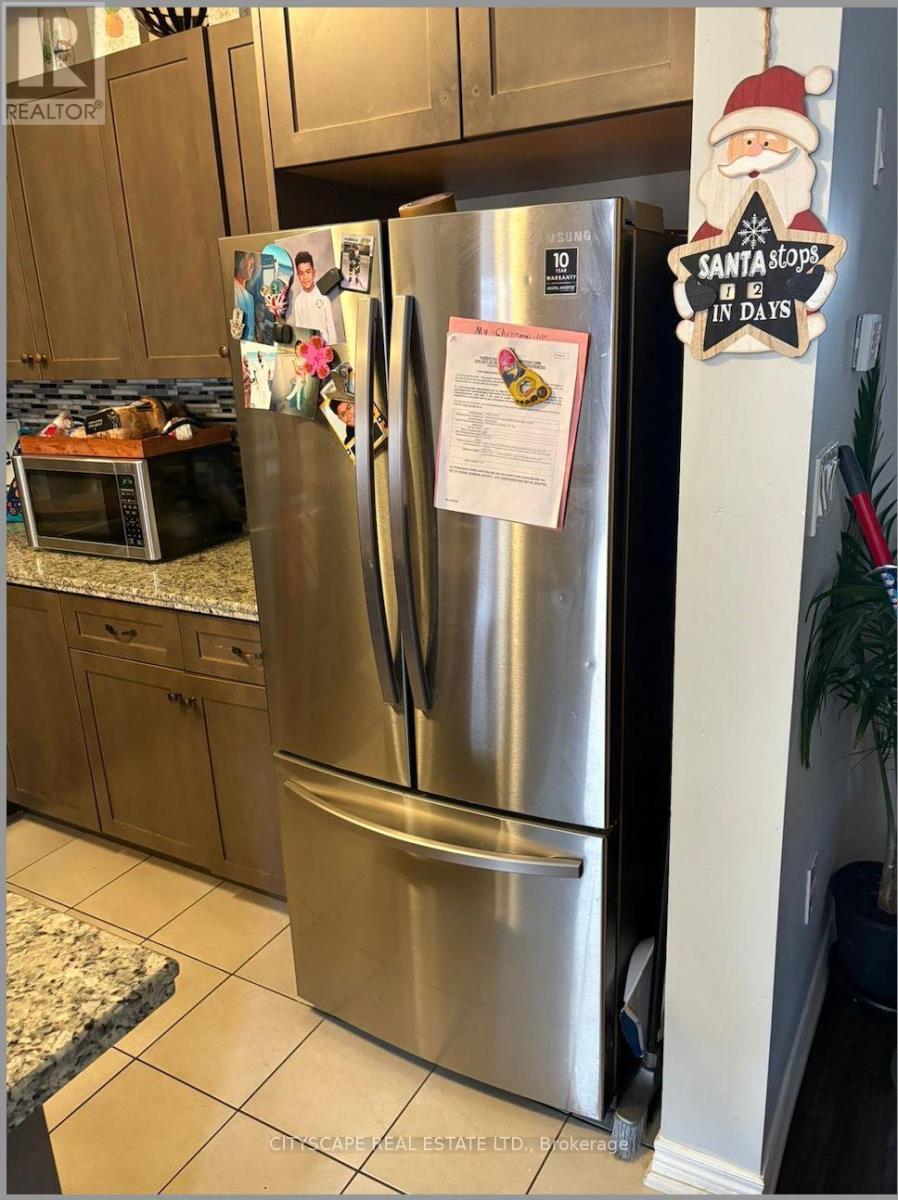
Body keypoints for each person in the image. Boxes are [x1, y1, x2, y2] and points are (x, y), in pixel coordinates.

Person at [288, 251, 337, 343]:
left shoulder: (323, 296)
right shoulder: (298, 301)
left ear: (314, 272)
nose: (305, 277)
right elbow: (299, 331)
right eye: (301, 273)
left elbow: (331, 329)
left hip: (324, 346)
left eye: (308, 272)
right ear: (298, 276)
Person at [233, 253, 258, 341]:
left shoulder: (250, 297)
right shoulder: (233, 288)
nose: (252, 266)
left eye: (253, 264)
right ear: (241, 262)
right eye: (249, 260)